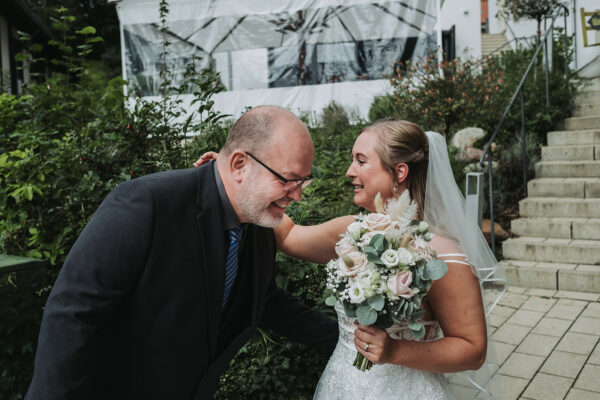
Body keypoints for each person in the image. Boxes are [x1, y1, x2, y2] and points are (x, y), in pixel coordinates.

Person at [25, 105, 338, 400]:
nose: (296, 195)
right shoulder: (146, 204)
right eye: (288, 180)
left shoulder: (258, 223)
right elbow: (73, 315)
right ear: (239, 165)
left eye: (303, 182)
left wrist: (346, 340)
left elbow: (262, 299)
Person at [195, 119, 507, 399]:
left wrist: (396, 350)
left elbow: (472, 348)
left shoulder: (442, 255)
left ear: (399, 171)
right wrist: (236, 179)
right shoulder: (351, 230)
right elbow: (288, 235)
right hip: (342, 385)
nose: (350, 171)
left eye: (361, 160)